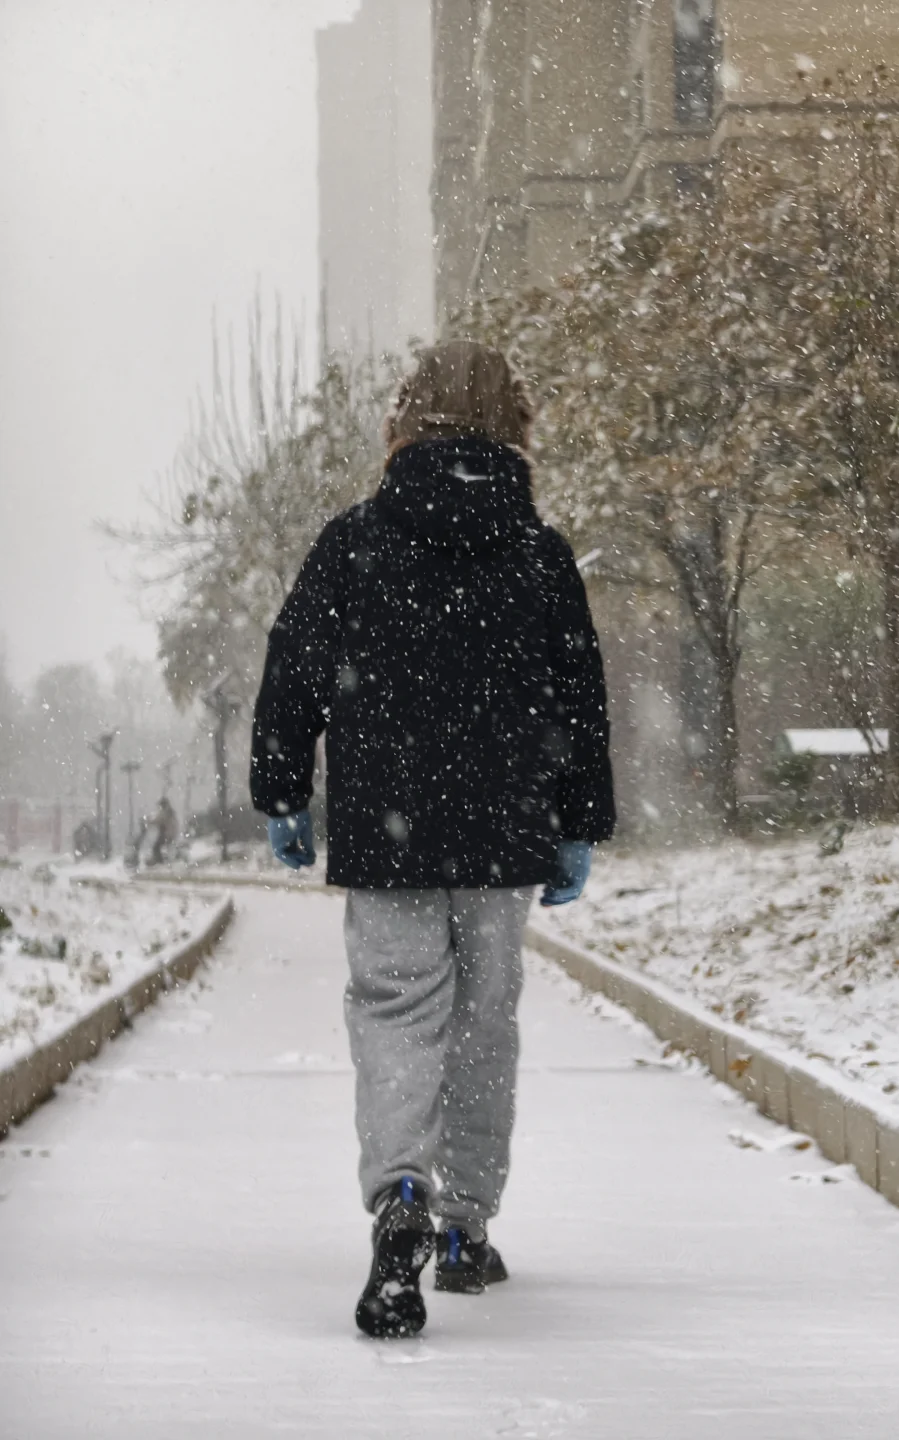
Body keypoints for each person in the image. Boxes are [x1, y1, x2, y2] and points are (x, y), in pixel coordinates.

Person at [249, 341, 615, 1338]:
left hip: (389, 829)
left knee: (397, 1012)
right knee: (484, 1024)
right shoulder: (540, 553)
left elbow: (295, 666)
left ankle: (401, 1191)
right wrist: (580, 821)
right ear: (515, 430)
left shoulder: (353, 542)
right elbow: (578, 691)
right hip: (504, 834)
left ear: (403, 425)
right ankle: (463, 1227)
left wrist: (286, 793)